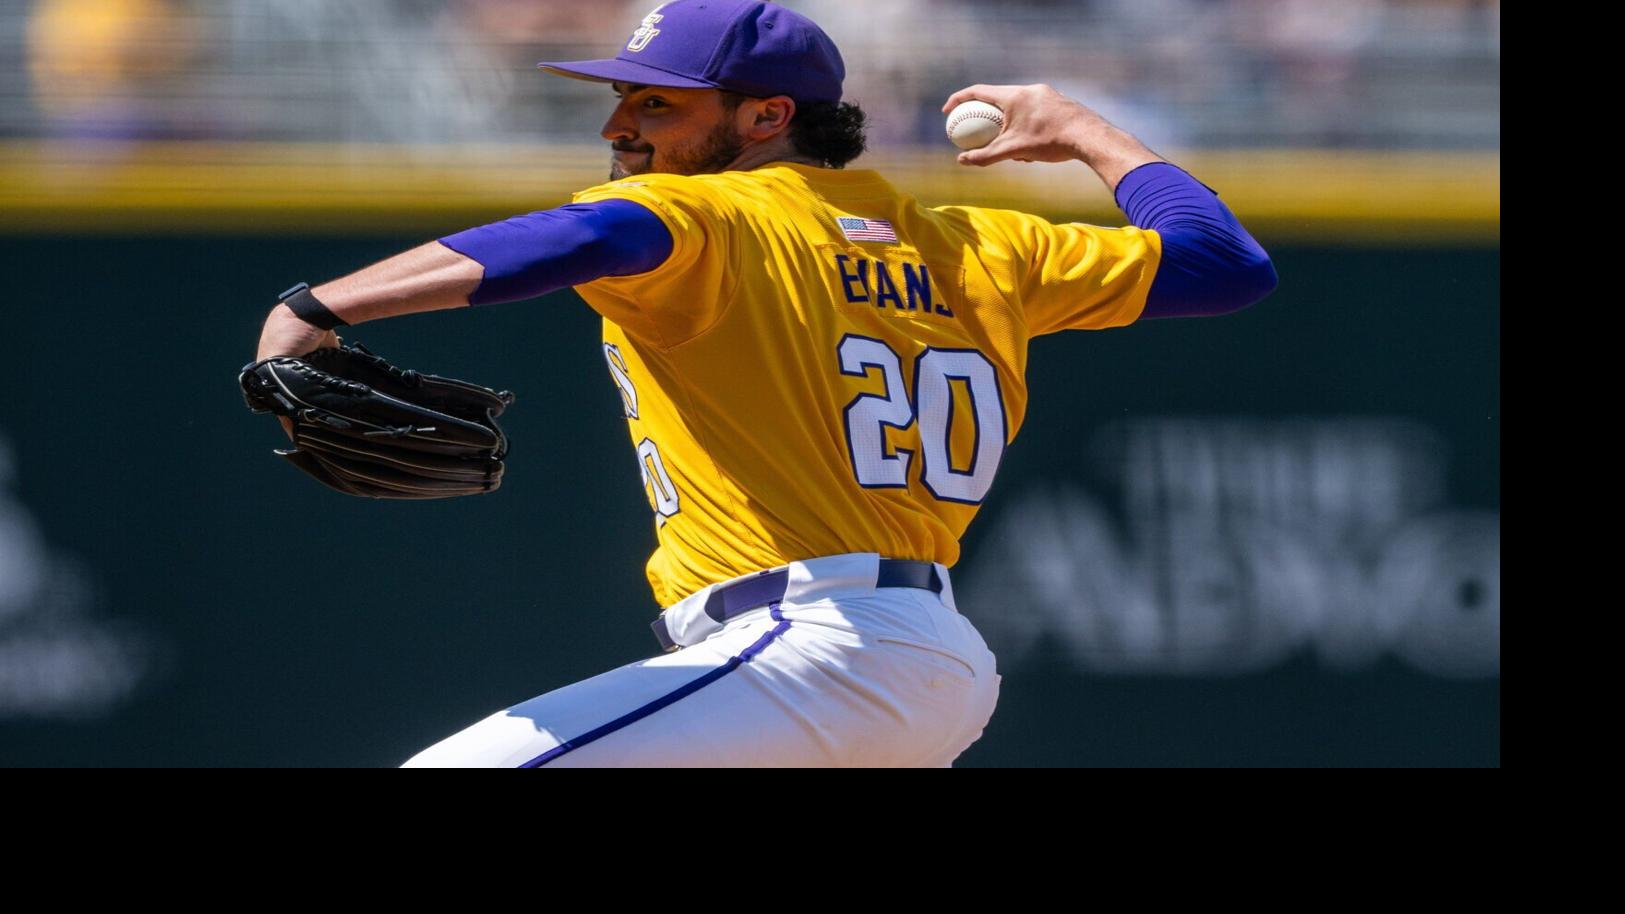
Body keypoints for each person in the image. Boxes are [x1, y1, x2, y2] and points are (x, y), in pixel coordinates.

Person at [253, 0, 1278, 767]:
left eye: (656, 102)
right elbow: (1222, 264)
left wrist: (318, 307)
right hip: (916, 660)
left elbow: (583, 236)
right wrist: (1082, 130)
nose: (620, 127)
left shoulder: (710, 216)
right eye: (620, 98)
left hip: (814, 647)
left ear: (766, 116)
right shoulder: (980, 247)